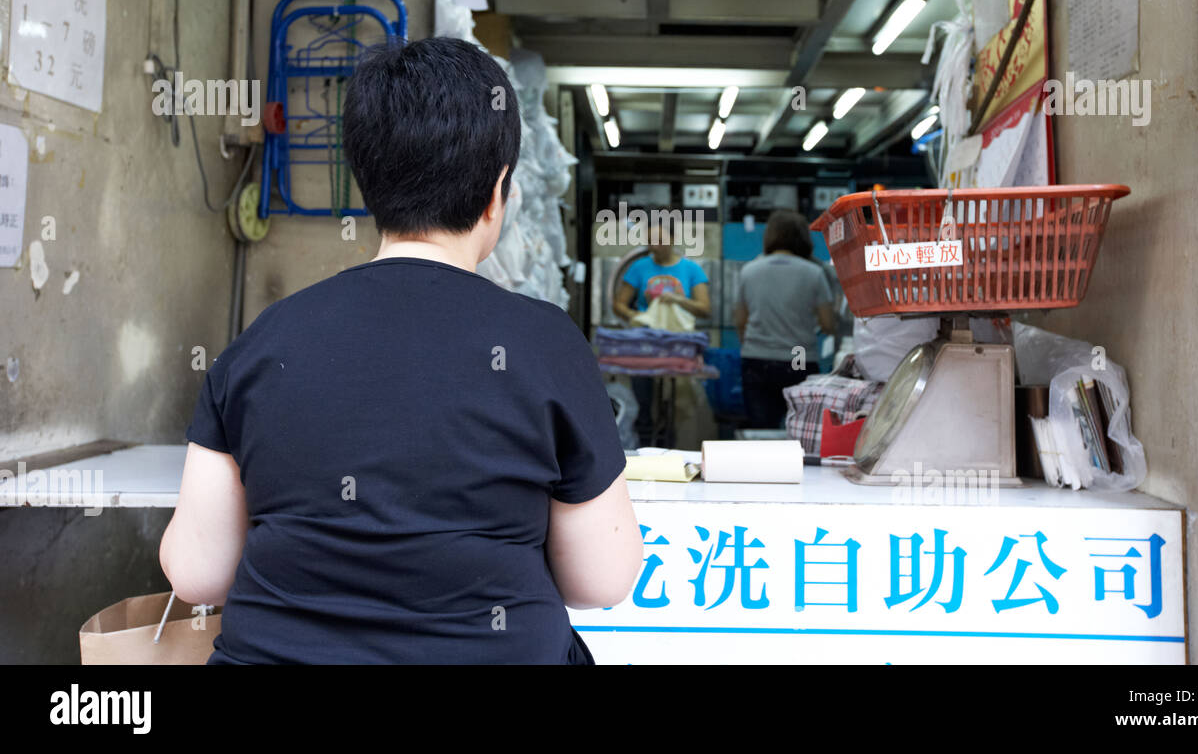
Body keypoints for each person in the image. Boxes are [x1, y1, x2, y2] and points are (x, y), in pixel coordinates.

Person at [160, 37, 641, 664]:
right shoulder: (547, 345)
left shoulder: (262, 342)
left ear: (368, 183)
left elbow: (196, 574)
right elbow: (602, 581)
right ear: (499, 193)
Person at [733, 209, 837, 429]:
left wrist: (757, 346)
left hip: (757, 357)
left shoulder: (749, 271)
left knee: (761, 432)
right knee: (799, 429)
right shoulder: (813, 273)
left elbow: (740, 321)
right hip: (797, 357)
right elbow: (828, 325)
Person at [611, 213, 710, 441]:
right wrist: (638, 316)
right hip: (646, 343)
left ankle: (673, 445)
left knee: (676, 404)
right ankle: (645, 441)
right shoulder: (639, 267)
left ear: (673, 239)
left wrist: (678, 301)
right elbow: (619, 304)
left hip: (678, 345)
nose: (654, 246)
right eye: (650, 241)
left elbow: (705, 308)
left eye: (660, 241)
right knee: (644, 401)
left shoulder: (691, 270)